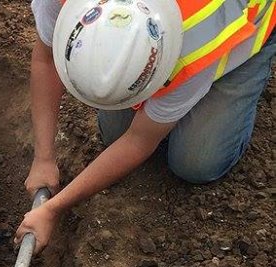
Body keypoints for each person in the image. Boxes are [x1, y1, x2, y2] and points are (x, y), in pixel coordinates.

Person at [17, 0, 275, 252]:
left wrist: (52, 210)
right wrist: (43, 159)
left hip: (243, 25)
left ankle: (235, 72)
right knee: (114, 133)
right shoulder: (58, 3)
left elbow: (139, 141)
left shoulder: (195, 39)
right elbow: (46, 59)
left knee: (196, 162)